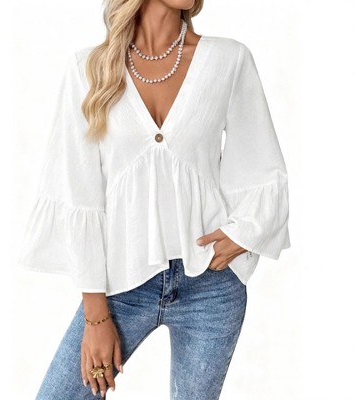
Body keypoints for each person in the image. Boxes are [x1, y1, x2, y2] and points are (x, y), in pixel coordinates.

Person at [17, 0, 291, 398]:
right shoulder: (89, 69)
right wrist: (96, 316)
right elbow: (78, 192)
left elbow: (261, 162)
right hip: (121, 286)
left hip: (211, 285)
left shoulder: (228, 60)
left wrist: (246, 233)